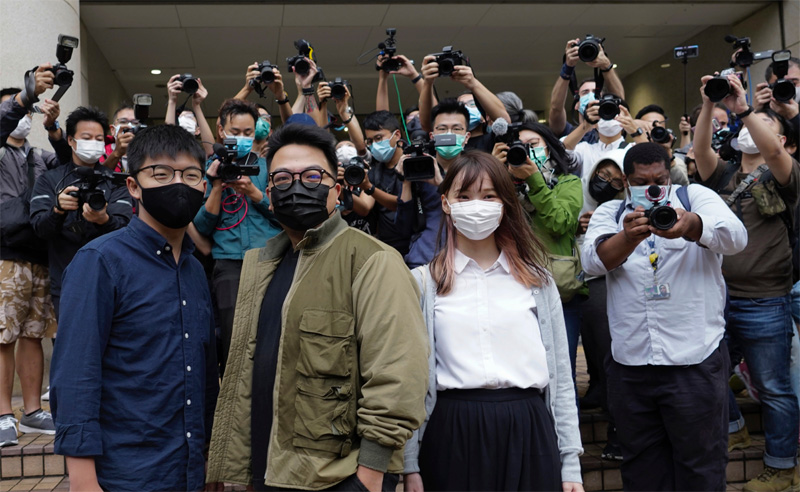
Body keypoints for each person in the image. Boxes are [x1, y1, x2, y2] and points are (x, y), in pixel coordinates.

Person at [205, 123, 428, 491]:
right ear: (270, 195)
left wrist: (369, 477)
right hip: (268, 472)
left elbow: (398, 375)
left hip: (339, 478)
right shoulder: (259, 265)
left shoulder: (372, 260)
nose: (296, 186)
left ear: (336, 190)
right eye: (282, 179)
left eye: (311, 176)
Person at [50, 124, 219, 491]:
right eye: (161, 173)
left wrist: (206, 458)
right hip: (124, 475)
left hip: (188, 471)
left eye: (191, 175)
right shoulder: (100, 261)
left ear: (204, 186)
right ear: (133, 186)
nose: (179, 184)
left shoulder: (194, 270)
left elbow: (204, 373)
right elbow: (76, 373)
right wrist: (82, 480)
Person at [402, 151, 583, 492]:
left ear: (504, 204)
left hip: (529, 427)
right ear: (445, 203)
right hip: (452, 429)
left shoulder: (538, 282)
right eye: (464, 196)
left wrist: (570, 463)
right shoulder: (424, 283)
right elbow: (410, 380)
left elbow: (561, 376)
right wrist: (410, 462)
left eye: (488, 196)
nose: (476, 206)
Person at [581, 142, 747, 491]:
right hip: (631, 365)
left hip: (695, 361)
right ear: (625, 181)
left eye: (660, 179)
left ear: (669, 173)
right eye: (642, 182)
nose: (653, 188)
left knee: (701, 467)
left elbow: (736, 239)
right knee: (641, 468)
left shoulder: (694, 197)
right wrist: (628, 237)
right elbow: (593, 262)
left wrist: (692, 225)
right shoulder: (611, 212)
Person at [695, 72, 800, 492]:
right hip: (718, 298)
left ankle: (782, 467)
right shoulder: (722, 176)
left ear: (784, 139)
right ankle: (734, 428)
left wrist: (743, 108)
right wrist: (710, 103)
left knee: (774, 388)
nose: (753, 128)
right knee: (707, 374)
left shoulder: (785, 176)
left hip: (767, 300)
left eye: (765, 122)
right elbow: (700, 149)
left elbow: (772, 150)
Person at [192, 98, 281, 376]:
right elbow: (202, 227)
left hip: (268, 259)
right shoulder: (210, 169)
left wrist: (254, 193)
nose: (241, 137)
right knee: (233, 338)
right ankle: (234, 393)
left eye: (247, 132)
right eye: (235, 132)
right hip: (229, 263)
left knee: (271, 330)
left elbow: (284, 218)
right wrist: (217, 186)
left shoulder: (267, 167)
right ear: (221, 130)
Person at [493, 122, 585, 382]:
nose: (525, 151)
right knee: (516, 370)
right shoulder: (498, 188)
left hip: (559, 291)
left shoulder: (568, 182)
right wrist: (493, 171)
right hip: (510, 287)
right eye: (518, 147)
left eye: (532, 145)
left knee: (561, 374)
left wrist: (534, 180)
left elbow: (559, 223)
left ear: (549, 148)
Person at [0, 71, 63, 446]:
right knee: (3, 335)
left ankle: (33, 410)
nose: (22, 117)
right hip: (5, 254)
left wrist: (54, 129)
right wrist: (25, 95)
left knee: (33, 334)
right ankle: (3, 413)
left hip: (39, 252)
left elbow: (69, 163)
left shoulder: (41, 156)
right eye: (13, 110)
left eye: (25, 111)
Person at [29, 106, 133, 318]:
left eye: (98, 139)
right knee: (72, 337)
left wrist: (104, 220)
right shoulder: (50, 180)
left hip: (113, 280)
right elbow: (39, 228)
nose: (93, 143)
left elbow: (127, 229)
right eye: (86, 138)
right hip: (67, 282)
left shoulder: (115, 182)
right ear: (70, 140)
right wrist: (57, 210)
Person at [395, 98, 470, 268]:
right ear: (432, 136)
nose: (449, 134)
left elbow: (474, 217)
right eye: (442, 129)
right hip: (423, 262)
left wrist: (440, 184)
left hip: (466, 263)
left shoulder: (477, 172)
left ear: (466, 137)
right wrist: (406, 181)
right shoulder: (418, 169)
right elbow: (402, 228)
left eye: (456, 129)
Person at [549, 37, 626, 144]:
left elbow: (620, 102)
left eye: (595, 92)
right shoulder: (568, 132)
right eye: (585, 92)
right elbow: (556, 109)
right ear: (577, 104)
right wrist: (567, 68)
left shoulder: (614, 128)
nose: (591, 96)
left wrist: (606, 65)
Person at [634, 104, 689, 185]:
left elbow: (682, 184)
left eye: (658, 128)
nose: (653, 131)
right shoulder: (625, 153)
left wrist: (667, 154)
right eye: (648, 126)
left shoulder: (675, 161)